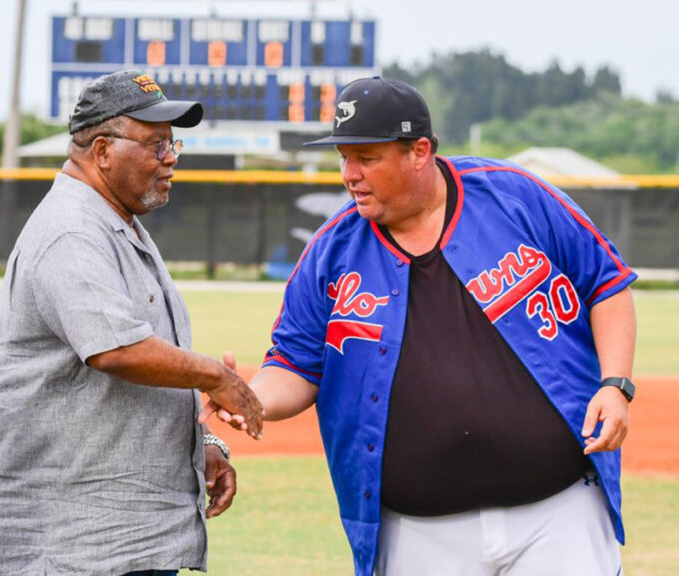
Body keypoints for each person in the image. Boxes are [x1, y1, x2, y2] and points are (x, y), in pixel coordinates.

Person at [203, 77, 637, 576]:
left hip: (558, 514)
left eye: (367, 158)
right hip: (417, 533)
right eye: (344, 158)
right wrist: (250, 397)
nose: (350, 174)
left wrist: (616, 384)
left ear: (419, 151)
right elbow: (295, 364)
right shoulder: (331, 251)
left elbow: (606, 281)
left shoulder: (513, 196)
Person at [0, 70, 264, 576]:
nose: (170, 157)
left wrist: (201, 449)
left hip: (116, 540)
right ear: (103, 151)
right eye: (155, 145)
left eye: (173, 144)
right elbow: (117, 351)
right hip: (73, 550)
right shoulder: (71, 230)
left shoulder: (111, 219)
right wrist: (215, 375)